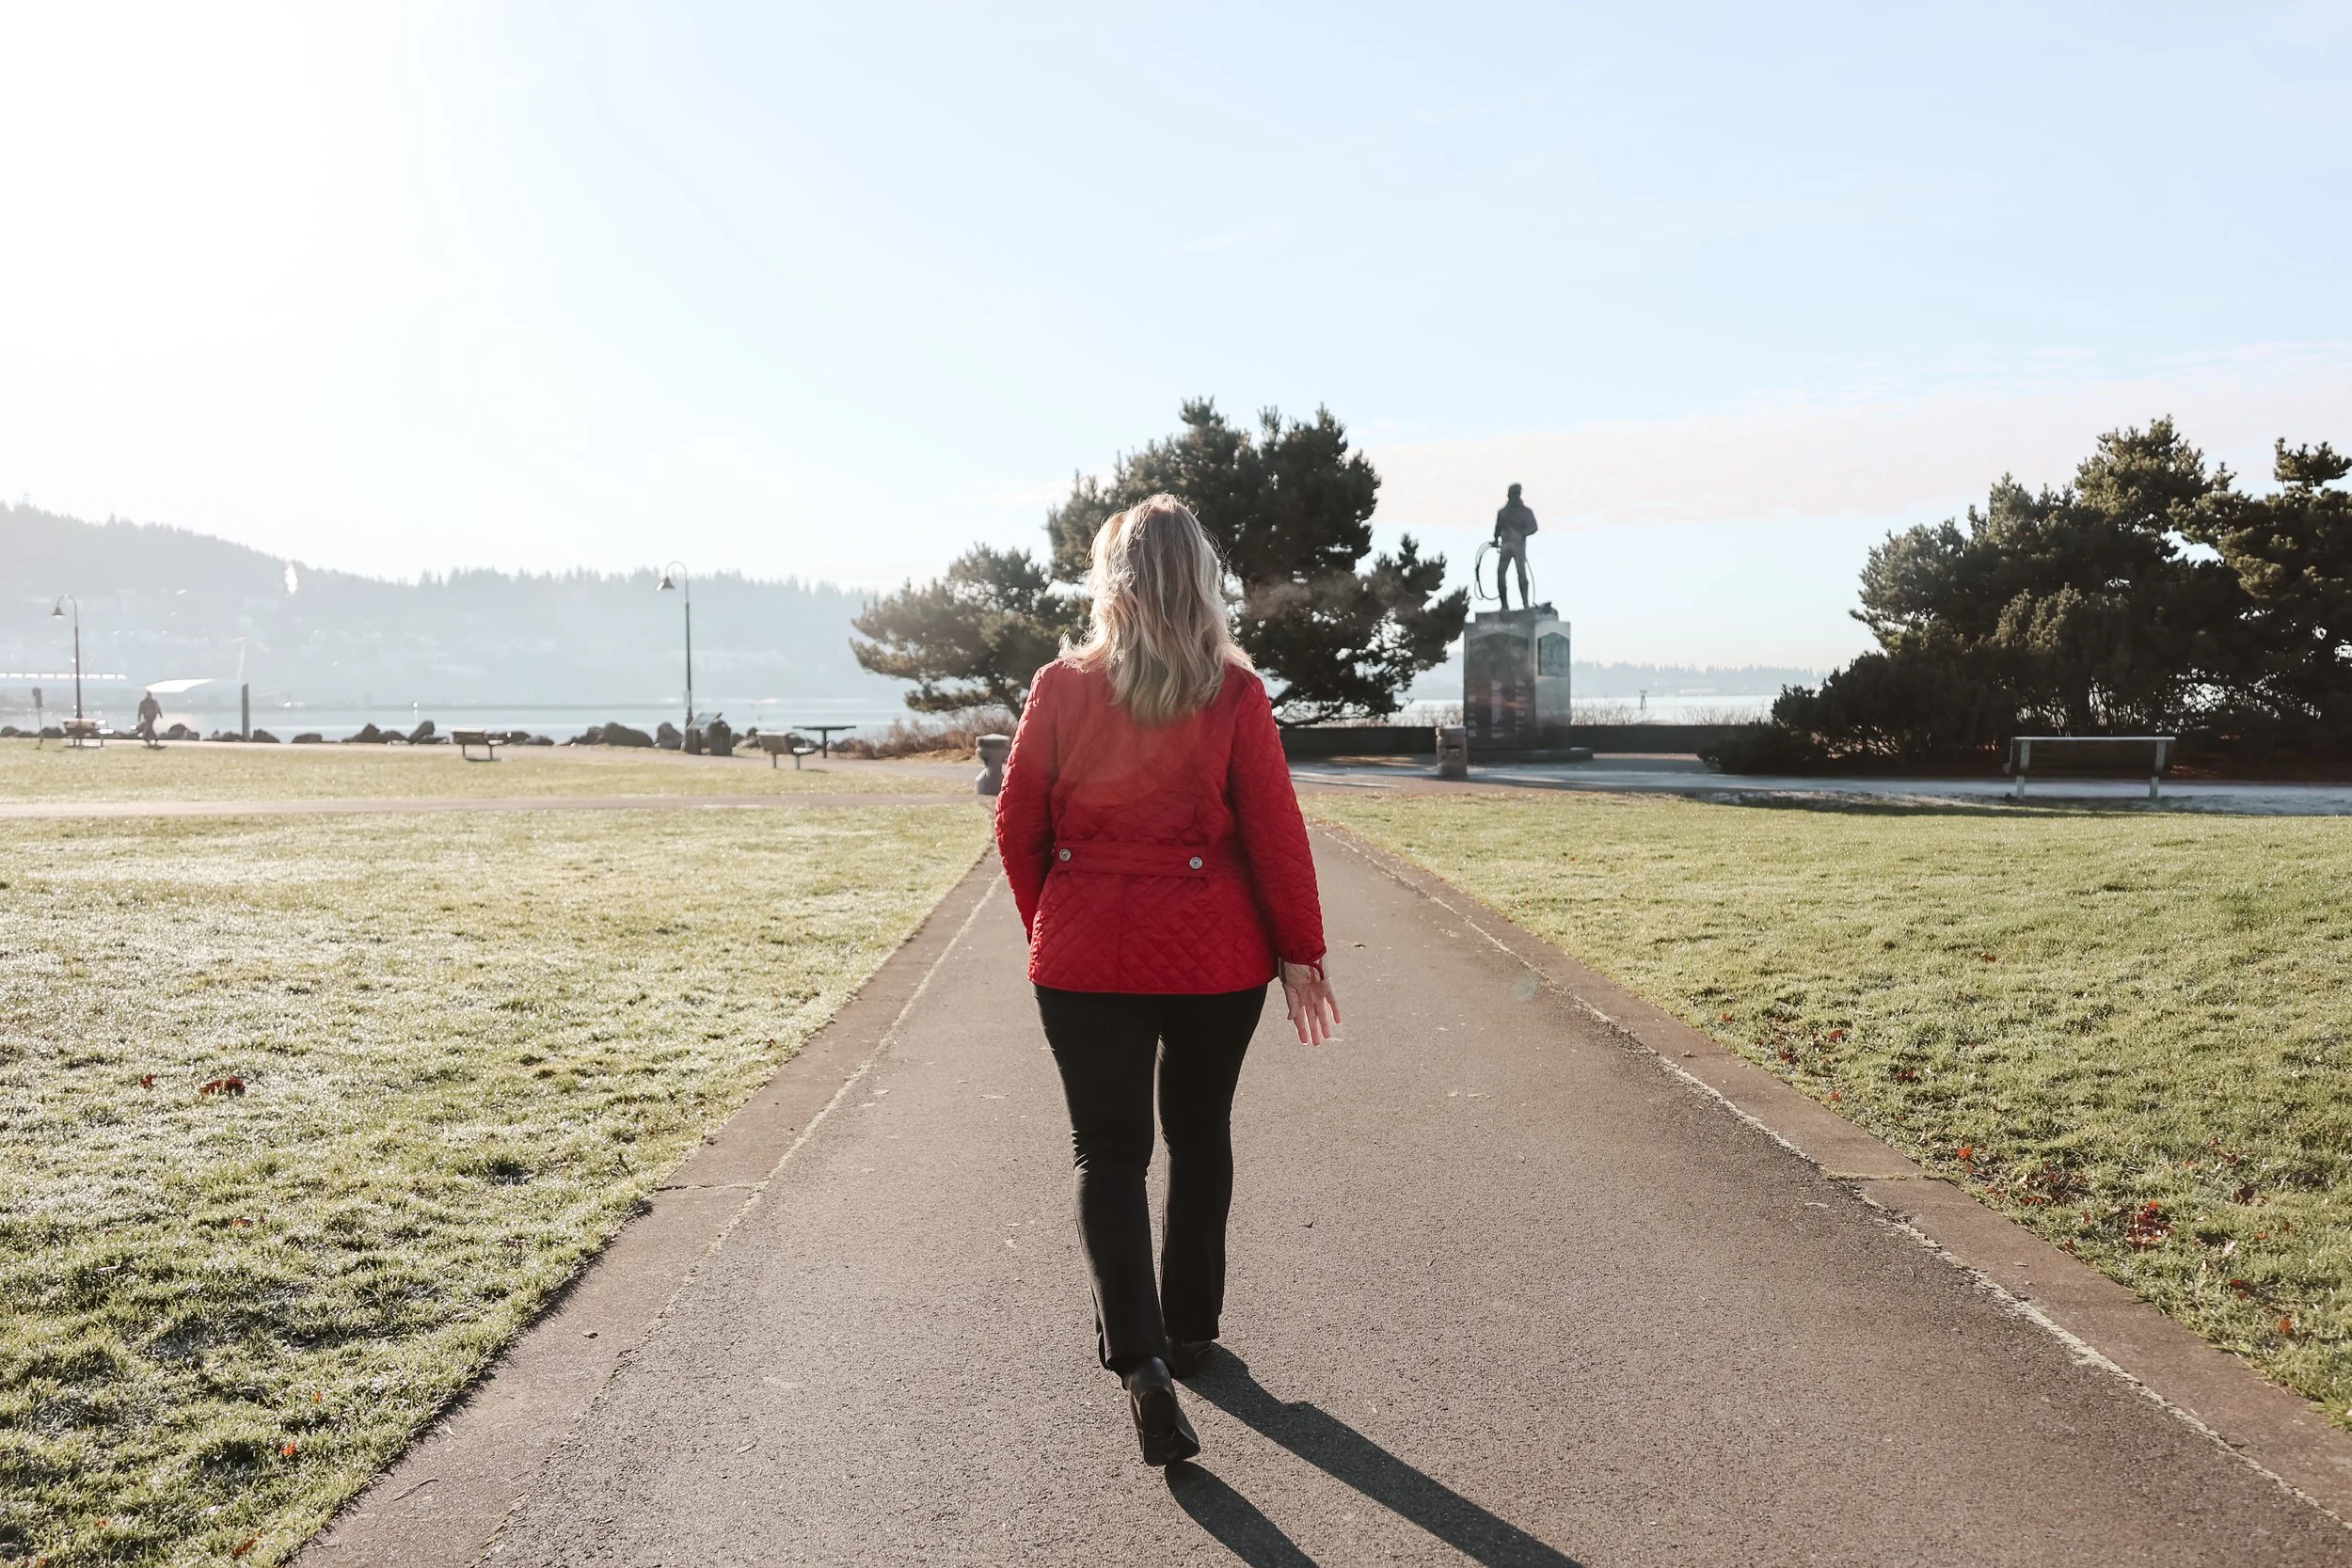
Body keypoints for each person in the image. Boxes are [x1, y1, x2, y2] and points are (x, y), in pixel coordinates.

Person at [994, 493, 1341, 1468]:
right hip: (1212, 955)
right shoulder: (1234, 694)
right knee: (1198, 1133)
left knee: (1107, 1152)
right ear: (1202, 582)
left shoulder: (1062, 684)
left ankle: (1140, 1363)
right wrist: (1300, 951)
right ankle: (1189, 1327)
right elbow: (1275, 832)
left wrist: (1053, 921)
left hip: (1083, 954)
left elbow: (1016, 827)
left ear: (1114, 582)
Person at [1493, 482, 1538, 611]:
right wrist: (1496, 540)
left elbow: (1533, 527)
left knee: (1521, 574)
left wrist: (1522, 534)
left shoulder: (1526, 512)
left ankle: (1525, 604)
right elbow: (1497, 528)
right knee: (1501, 574)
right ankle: (1504, 605)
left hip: (1518, 546)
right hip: (1506, 545)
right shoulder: (1502, 512)